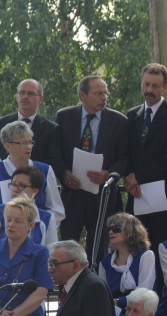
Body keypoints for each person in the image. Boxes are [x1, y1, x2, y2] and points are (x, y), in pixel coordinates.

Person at [124, 63, 167, 293]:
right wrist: (128, 178)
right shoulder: (132, 116)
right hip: (135, 196)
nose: (149, 90)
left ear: (165, 88)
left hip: (162, 199)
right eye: (146, 84)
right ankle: (135, 296)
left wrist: (136, 176)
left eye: (155, 86)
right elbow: (126, 153)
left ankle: (159, 298)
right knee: (135, 247)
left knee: (160, 248)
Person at [55, 75, 128, 265]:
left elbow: (124, 158)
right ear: (82, 95)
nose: (104, 97)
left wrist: (109, 174)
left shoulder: (119, 121)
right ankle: (67, 291)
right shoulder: (64, 117)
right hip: (72, 193)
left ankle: (95, 288)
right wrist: (64, 173)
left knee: (99, 246)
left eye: (105, 93)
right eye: (98, 93)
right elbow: (55, 153)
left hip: (102, 195)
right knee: (68, 245)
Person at [0, 120, 64, 230]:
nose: (28, 147)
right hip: (1, 237)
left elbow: (57, 210)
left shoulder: (45, 170)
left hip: (36, 237)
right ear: (8, 146)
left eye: (30, 142)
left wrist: (36, 226)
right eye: (23, 143)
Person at [0, 78, 61, 174]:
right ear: (17, 97)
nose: (25, 96)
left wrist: (25, 174)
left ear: (41, 99)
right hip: (3, 183)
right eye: (21, 93)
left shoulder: (51, 129)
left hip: (35, 183)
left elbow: (54, 163)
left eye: (30, 93)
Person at [0, 167, 58, 252]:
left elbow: (51, 254)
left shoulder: (47, 219)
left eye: (21, 186)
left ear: (35, 191)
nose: (15, 189)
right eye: (13, 185)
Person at [98, 212, 156, 316]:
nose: (111, 231)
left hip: (140, 308)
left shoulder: (146, 256)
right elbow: (103, 294)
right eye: (110, 228)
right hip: (113, 310)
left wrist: (120, 301)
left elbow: (144, 292)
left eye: (116, 228)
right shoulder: (105, 263)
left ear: (131, 231)